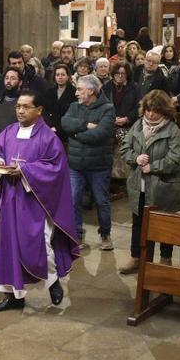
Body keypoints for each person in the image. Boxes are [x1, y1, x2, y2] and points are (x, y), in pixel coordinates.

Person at [0, 90, 78, 312]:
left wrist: (25, 170)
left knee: (40, 244)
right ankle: (12, 296)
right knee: (6, 247)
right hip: (8, 199)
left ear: (39, 111)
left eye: (26, 107)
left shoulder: (48, 138)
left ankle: (53, 282)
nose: (20, 110)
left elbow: (55, 169)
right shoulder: (9, 132)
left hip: (33, 201)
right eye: (18, 106)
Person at [118, 90, 180, 274]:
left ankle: (165, 260)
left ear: (164, 110)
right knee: (138, 223)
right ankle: (136, 258)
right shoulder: (138, 125)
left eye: (155, 110)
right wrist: (136, 158)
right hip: (138, 186)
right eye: (148, 110)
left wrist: (153, 167)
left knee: (163, 225)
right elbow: (125, 147)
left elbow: (177, 158)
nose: (150, 114)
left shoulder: (172, 130)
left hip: (163, 187)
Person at [60, 74, 116, 249]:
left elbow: (100, 134)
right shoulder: (74, 106)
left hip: (98, 165)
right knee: (74, 199)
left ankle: (105, 234)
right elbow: (65, 123)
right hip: (76, 165)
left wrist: (75, 134)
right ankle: (77, 234)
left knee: (101, 201)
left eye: (79, 89)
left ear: (91, 91)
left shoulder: (107, 108)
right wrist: (85, 125)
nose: (76, 93)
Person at [45, 63, 76, 139]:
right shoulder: (49, 91)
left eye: (63, 74)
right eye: (57, 75)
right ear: (54, 77)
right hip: (50, 129)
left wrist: (57, 128)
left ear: (68, 76)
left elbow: (73, 114)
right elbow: (45, 110)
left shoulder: (74, 92)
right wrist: (50, 126)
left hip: (66, 132)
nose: (60, 77)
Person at [0, 66, 23, 131]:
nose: (8, 81)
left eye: (13, 78)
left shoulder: (24, 102)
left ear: (20, 82)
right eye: (6, 78)